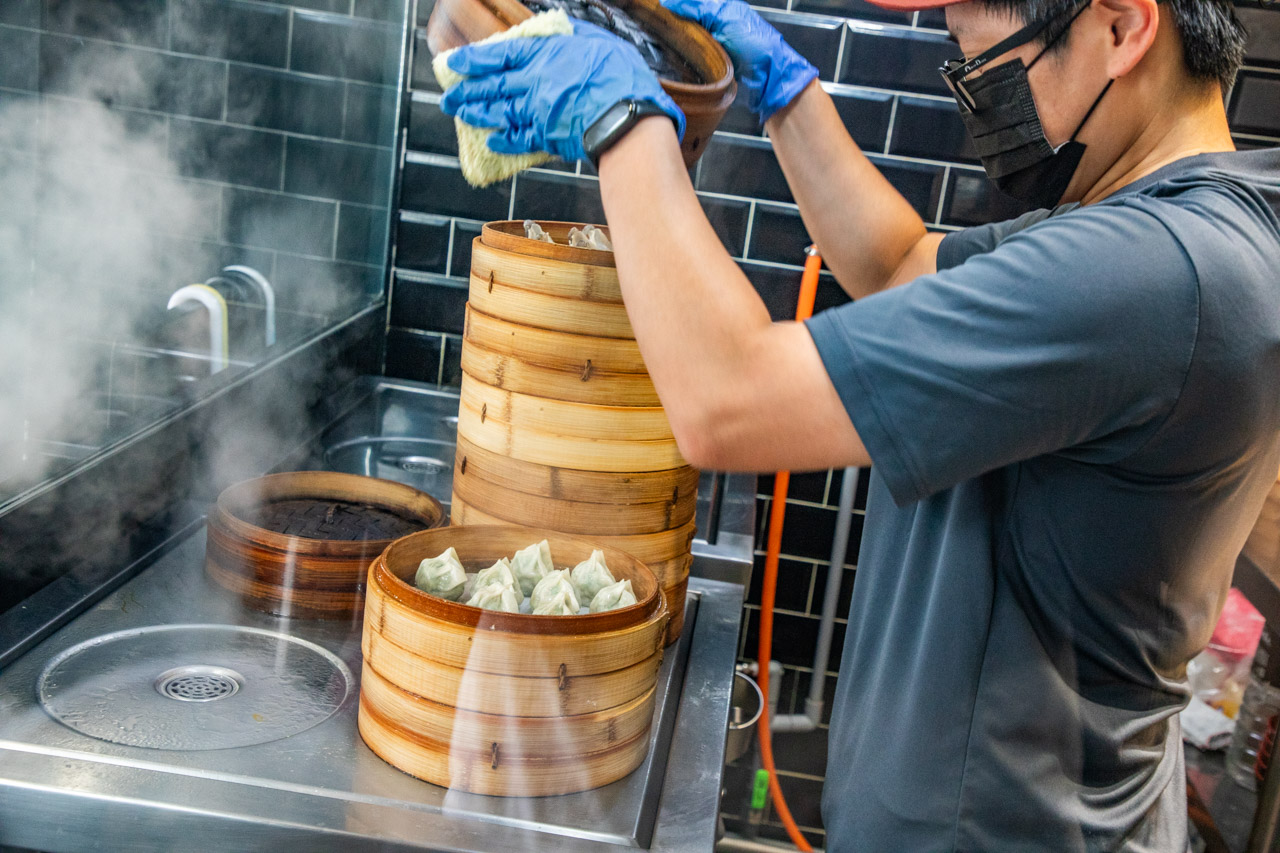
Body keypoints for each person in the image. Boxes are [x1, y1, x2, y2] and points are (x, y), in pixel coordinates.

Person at [441, 0, 1280, 848]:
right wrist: (786, 95)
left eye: (987, 59)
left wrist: (623, 121)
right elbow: (900, 265)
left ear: (1124, 28)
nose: (977, 92)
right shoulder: (1182, 227)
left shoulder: (1152, 274)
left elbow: (726, 401)